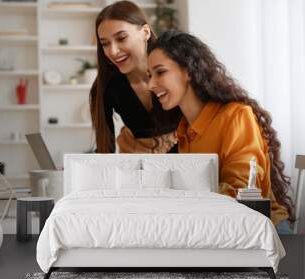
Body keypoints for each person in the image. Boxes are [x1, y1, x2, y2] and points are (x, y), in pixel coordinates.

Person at [147, 30, 295, 232]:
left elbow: (241, 189)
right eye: (149, 75)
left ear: (188, 71)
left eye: (160, 72)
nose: (150, 84)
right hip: (221, 229)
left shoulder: (236, 116)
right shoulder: (183, 132)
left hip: (265, 230)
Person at [90, 0, 182, 153]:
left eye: (121, 38)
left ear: (145, 32)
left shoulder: (177, 66)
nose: (112, 51)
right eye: (105, 43)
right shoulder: (106, 86)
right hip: (135, 163)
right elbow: (105, 150)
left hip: (187, 157)